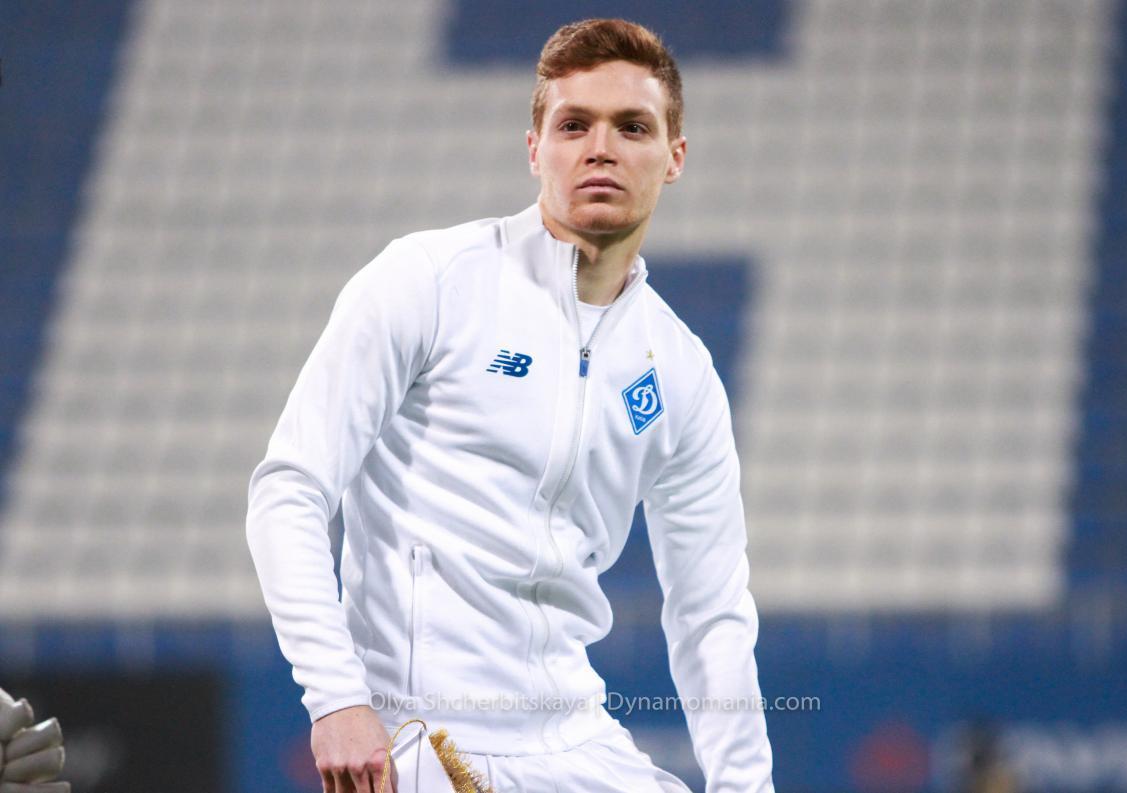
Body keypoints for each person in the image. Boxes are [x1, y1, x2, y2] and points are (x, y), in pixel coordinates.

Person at [247, 17, 775, 793]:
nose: (600, 148)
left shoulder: (681, 369)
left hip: (577, 741)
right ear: (535, 149)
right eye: (573, 125)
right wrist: (336, 697)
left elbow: (710, 608)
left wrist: (745, 785)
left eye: (632, 127)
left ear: (675, 157)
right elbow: (289, 489)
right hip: (419, 734)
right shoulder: (428, 280)